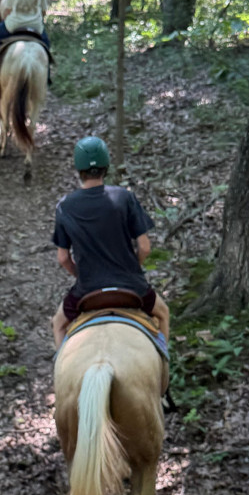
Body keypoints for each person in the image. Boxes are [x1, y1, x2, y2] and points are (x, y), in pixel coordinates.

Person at [50, 136, 170, 349]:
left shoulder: (65, 206)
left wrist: (83, 275)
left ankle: (60, 378)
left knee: (58, 324)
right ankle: (165, 375)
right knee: (163, 314)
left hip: (87, 289)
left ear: (79, 170)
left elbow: (62, 258)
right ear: (106, 166)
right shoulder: (125, 197)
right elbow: (144, 247)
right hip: (131, 286)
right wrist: (131, 269)